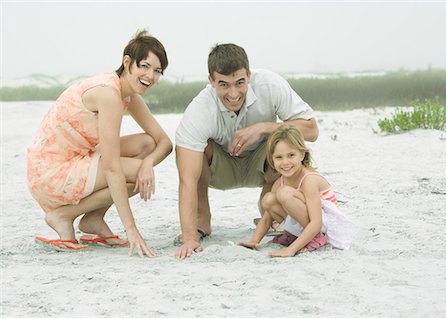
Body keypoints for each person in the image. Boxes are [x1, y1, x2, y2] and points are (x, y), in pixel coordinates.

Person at [28, 30, 172, 257]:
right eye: (144, 66)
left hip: (76, 158)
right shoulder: (109, 95)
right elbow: (112, 166)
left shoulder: (128, 93)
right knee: (134, 173)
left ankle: (93, 219)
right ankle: (64, 215)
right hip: (52, 172)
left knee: (147, 145)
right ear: (127, 62)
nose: (150, 76)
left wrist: (148, 163)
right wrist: (132, 230)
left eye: (157, 71)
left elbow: (163, 142)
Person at [174, 43, 319, 259]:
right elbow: (187, 179)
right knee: (194, 152)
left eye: (240, 82)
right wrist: (188, 238)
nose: (233, 93)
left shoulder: (270, 85)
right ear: (211, 81)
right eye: (223, 84)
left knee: (282, 139)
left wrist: (265, 127)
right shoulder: (199, 110)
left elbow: (311, 130)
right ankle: (202, 221)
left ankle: (271, 215)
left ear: (249, 76)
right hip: (220, 169)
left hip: (263, 161)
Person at [239, 125, 357, 257]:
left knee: (284, 194)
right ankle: (294, 235)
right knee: (268, 199)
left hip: (326, 226)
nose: (285, 162)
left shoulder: (309, 179)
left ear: (302, 154)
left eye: (291, 155)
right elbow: (267, 218)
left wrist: (291, 250)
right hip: (309, 222)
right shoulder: (280, 181)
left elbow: (316, 222)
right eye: (279, 157)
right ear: (272, 159)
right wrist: (254, 241)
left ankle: (316, 238)